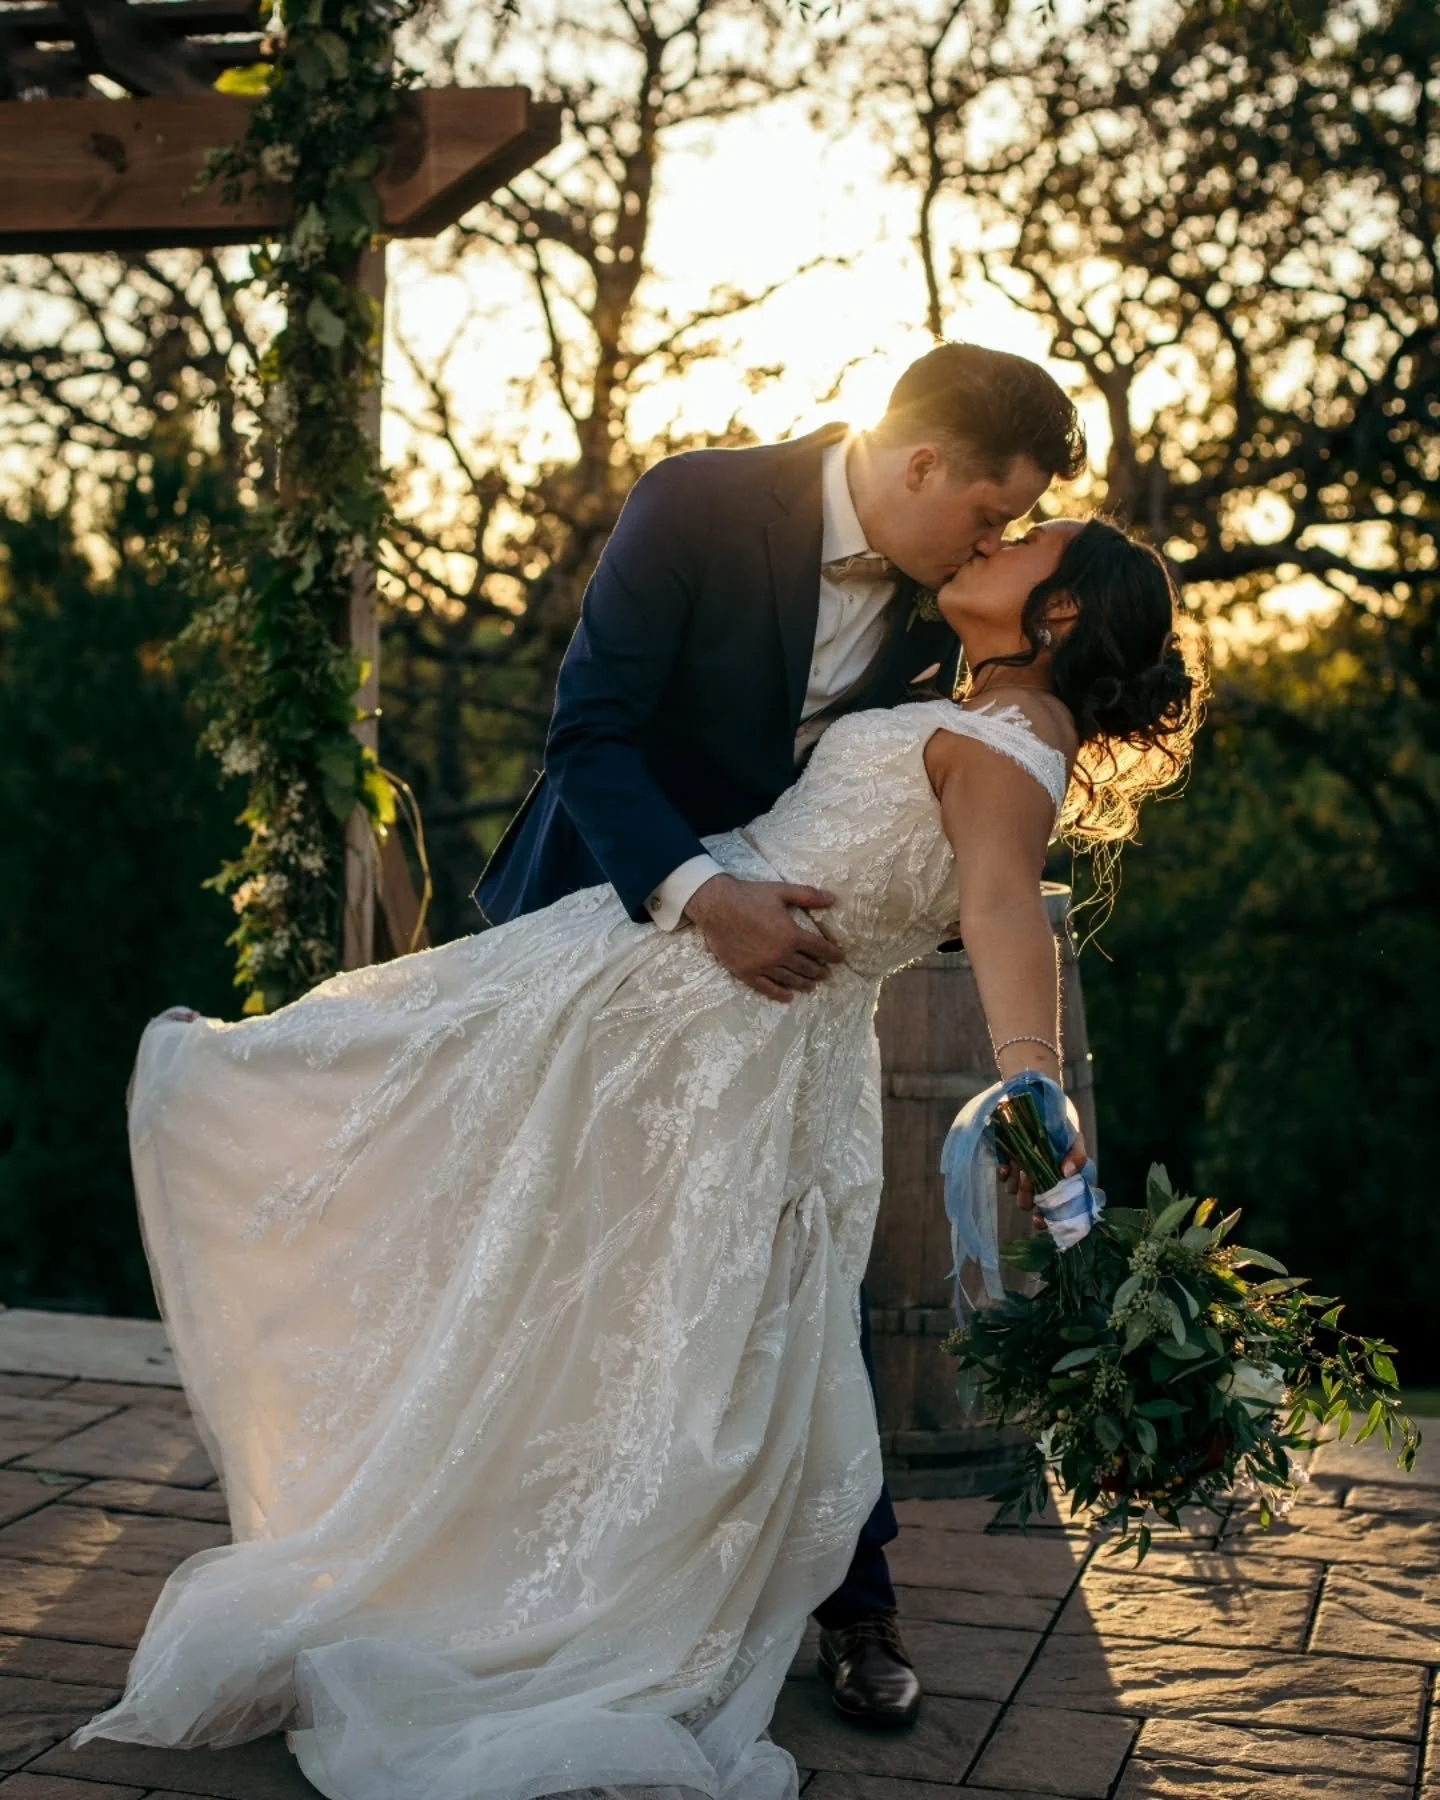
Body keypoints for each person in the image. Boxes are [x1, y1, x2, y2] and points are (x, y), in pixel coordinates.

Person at [76, 510, 1203, 1800]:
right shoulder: (976, 708)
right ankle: (533, 1562)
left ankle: (574, 1596)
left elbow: (1004, 905)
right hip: (693, 996)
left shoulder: (1013, 744)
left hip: (724, 1028)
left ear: (1056, 617)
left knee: (628, 1304)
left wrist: (1030, 1076)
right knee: (592, 1290)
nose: (984, 548)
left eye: (1020, 548)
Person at [475, 342, 1087, 1729]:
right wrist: (707, 899)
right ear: (920, 459)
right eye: (991, 517)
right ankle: (534, 1566)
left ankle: (849, 1600)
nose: (994, 544)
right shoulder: (696, 502)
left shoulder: (957, 620)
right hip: (610, 929)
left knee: (794, 1271)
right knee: (560, 1259)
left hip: (782, 1012)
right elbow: (592, 733)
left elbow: (953, 838)